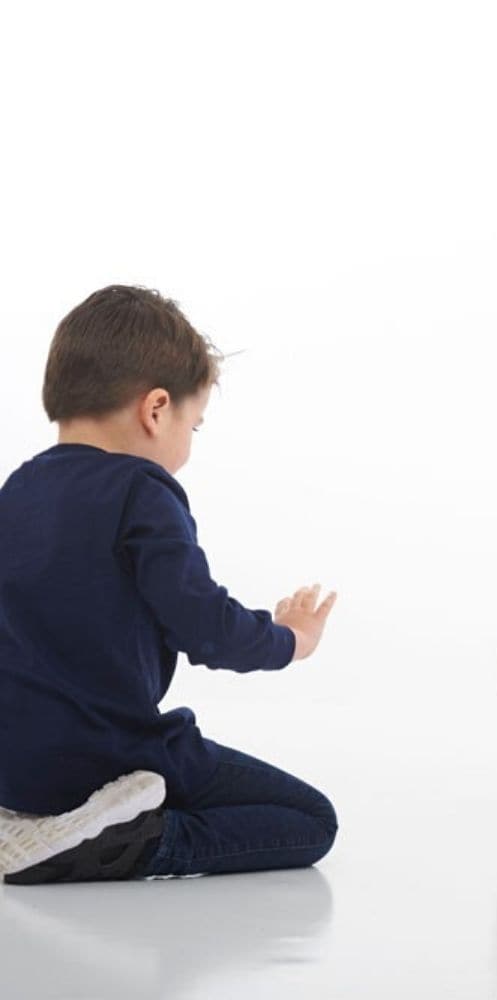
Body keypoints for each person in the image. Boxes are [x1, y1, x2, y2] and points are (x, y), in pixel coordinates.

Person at [0, 285, 338, 883]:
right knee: (309, 818)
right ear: (156, 409)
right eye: (195, 424)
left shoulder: (18, 490)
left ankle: (32, 822)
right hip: (107, 756)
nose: (189, 443)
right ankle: (123, 842)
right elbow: (202, 627)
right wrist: (288, 639)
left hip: (15, 764)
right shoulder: (141, 490)